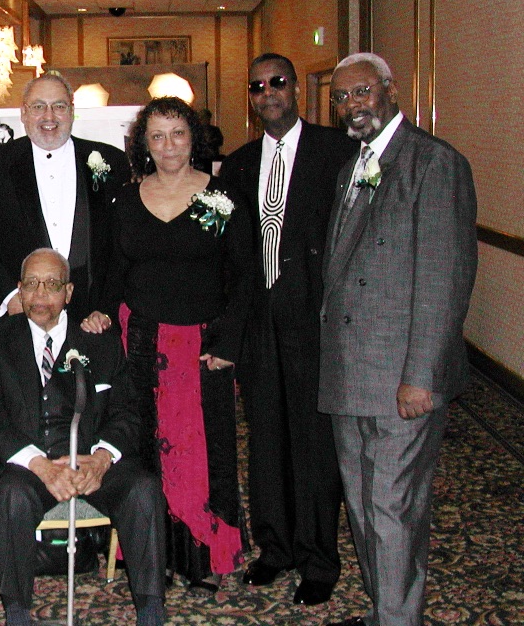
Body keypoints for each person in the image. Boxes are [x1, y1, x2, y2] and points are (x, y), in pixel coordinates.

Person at [320, 53, 477, 626]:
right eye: (341, 97)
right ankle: (388, 607)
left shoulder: (434, 163)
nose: (352, 105)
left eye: (362, 92)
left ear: (389, 89)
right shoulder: (351, 166)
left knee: (392, 506)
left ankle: (398, 619)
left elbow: (443, 280)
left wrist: (422, 376)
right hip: (350, 374)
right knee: (363, 505)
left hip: (400, 378)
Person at [83, 96, 254, 593]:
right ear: (144, 145)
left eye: (177, 134)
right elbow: (113, 273)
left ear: (193, 139)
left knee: (205, 452)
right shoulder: (124, 200)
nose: (168, 146)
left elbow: (244, 278)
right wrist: (99, 314)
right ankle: (152, 555)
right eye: (157, 136)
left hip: (204, 347)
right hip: (141, 346)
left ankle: (202, 556)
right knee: (145, 452)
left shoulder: (223, 196)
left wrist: (229, 342)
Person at [219, 53, 357, 606]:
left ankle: (320, 559)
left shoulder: (337, 153)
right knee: (268, 444)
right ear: (250, 98)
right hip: (259, 330)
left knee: (315, 447)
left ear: (297, 88)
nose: (268, 92)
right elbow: (229, 254)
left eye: (277, 82)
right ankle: (275, 549)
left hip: (316, 326)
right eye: (257, 86)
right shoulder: (239, 163)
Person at [0, 248, 167, 626]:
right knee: (11, 495)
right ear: (19, 289)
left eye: (51, 284)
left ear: (69, 291)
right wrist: (40, 465)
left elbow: (128, 412)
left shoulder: (98, 339)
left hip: (91, 459)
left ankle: (151, 610)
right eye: (31, 284)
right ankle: (17, 612)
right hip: (29, 464)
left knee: (143, 489)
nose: (41, 294)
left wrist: (100, 459)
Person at [0, 71, 129, 323]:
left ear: (72, 110)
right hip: (23, 313)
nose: (49, 116)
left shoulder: (111, 160)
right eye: (38, 107)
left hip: (92, 317)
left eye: (59, 106)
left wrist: (106, 308)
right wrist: (11, 297)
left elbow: (120, 247)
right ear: (23, 112)